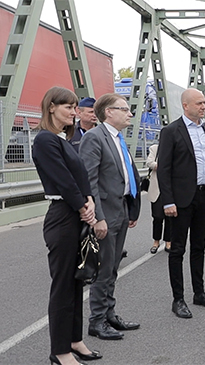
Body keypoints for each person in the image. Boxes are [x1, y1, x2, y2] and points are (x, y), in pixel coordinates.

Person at [33, 86, 101, 365]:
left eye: (75, 107)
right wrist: (84, 207)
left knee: (77, 281)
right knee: (62, 284)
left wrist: (89, 200)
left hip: (76, 210)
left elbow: (80, 175)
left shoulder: (62, 140)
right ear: (51, 107)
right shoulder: (44, 140)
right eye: (68, 107)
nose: (74, 112)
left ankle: (75, 340)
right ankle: (59, 351)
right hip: (62, 215)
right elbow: (62, 179)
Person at [157, 88, 205, 318]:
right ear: (185, 105)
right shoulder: (171, 131)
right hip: (181, 199)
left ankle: (199, 292)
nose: (203, 107)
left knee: (199, 246)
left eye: (204, 103)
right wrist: (168, 201)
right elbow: (164, 169)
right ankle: (178, 299)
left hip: (204, 197)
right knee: (177, 249)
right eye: (198, 103)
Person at [79, 93, 141, 341]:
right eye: (124, 109)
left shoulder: (117, 138)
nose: (129, 114)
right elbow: (89, 182)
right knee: (103, 269)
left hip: (121, 209)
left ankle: (109, 313)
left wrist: (131, 208)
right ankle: (96, 321)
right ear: (108, 112)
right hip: (106, 213)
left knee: (113, 267)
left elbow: (125, 173)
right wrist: (98, 218)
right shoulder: (95, 138)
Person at [146, 143, 171, 254]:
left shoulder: (174, 148)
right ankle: (156, 241)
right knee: (157, 217)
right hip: (157, 188)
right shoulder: (155, 148)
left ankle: (168, 241)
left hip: (171, 189)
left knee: (170, 217)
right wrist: (164, 166)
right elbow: (149, 163)